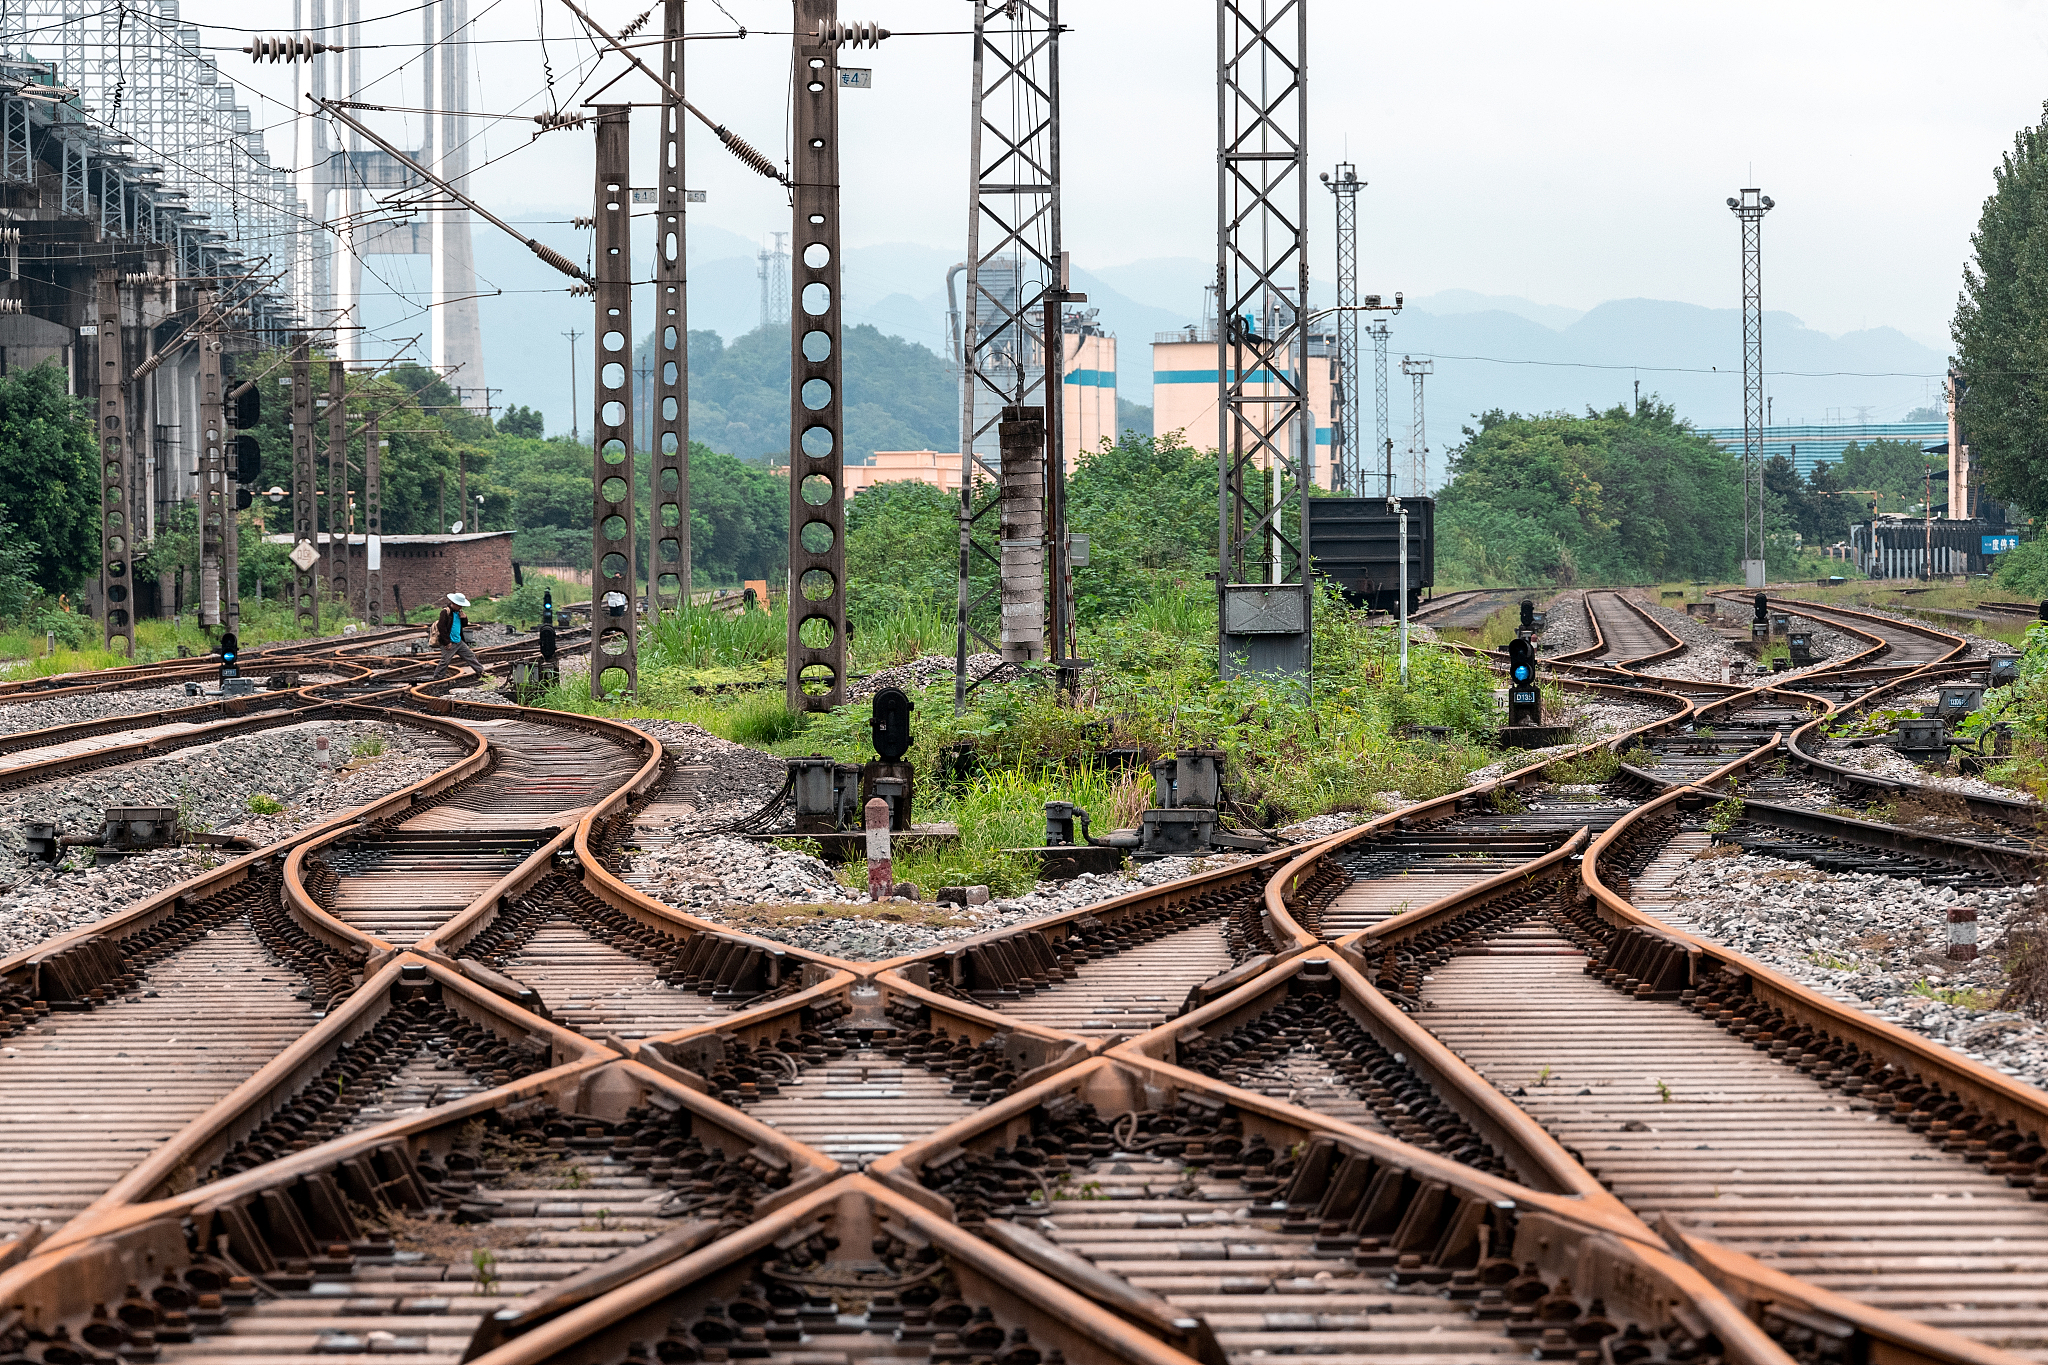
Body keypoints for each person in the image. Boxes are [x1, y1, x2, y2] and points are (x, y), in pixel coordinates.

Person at [429, 591, 484, 679]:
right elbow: (441, 627)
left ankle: (481, 671)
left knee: (470, 656)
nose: (461, 607)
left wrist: (464, 618)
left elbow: (464, 625)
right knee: (445, 661)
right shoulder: (445, 612)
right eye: (459, 605)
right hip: (450, 643)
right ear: (454, 603)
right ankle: (437, 678)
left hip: (459, 641)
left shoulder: (459, 613)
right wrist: (447, 642)